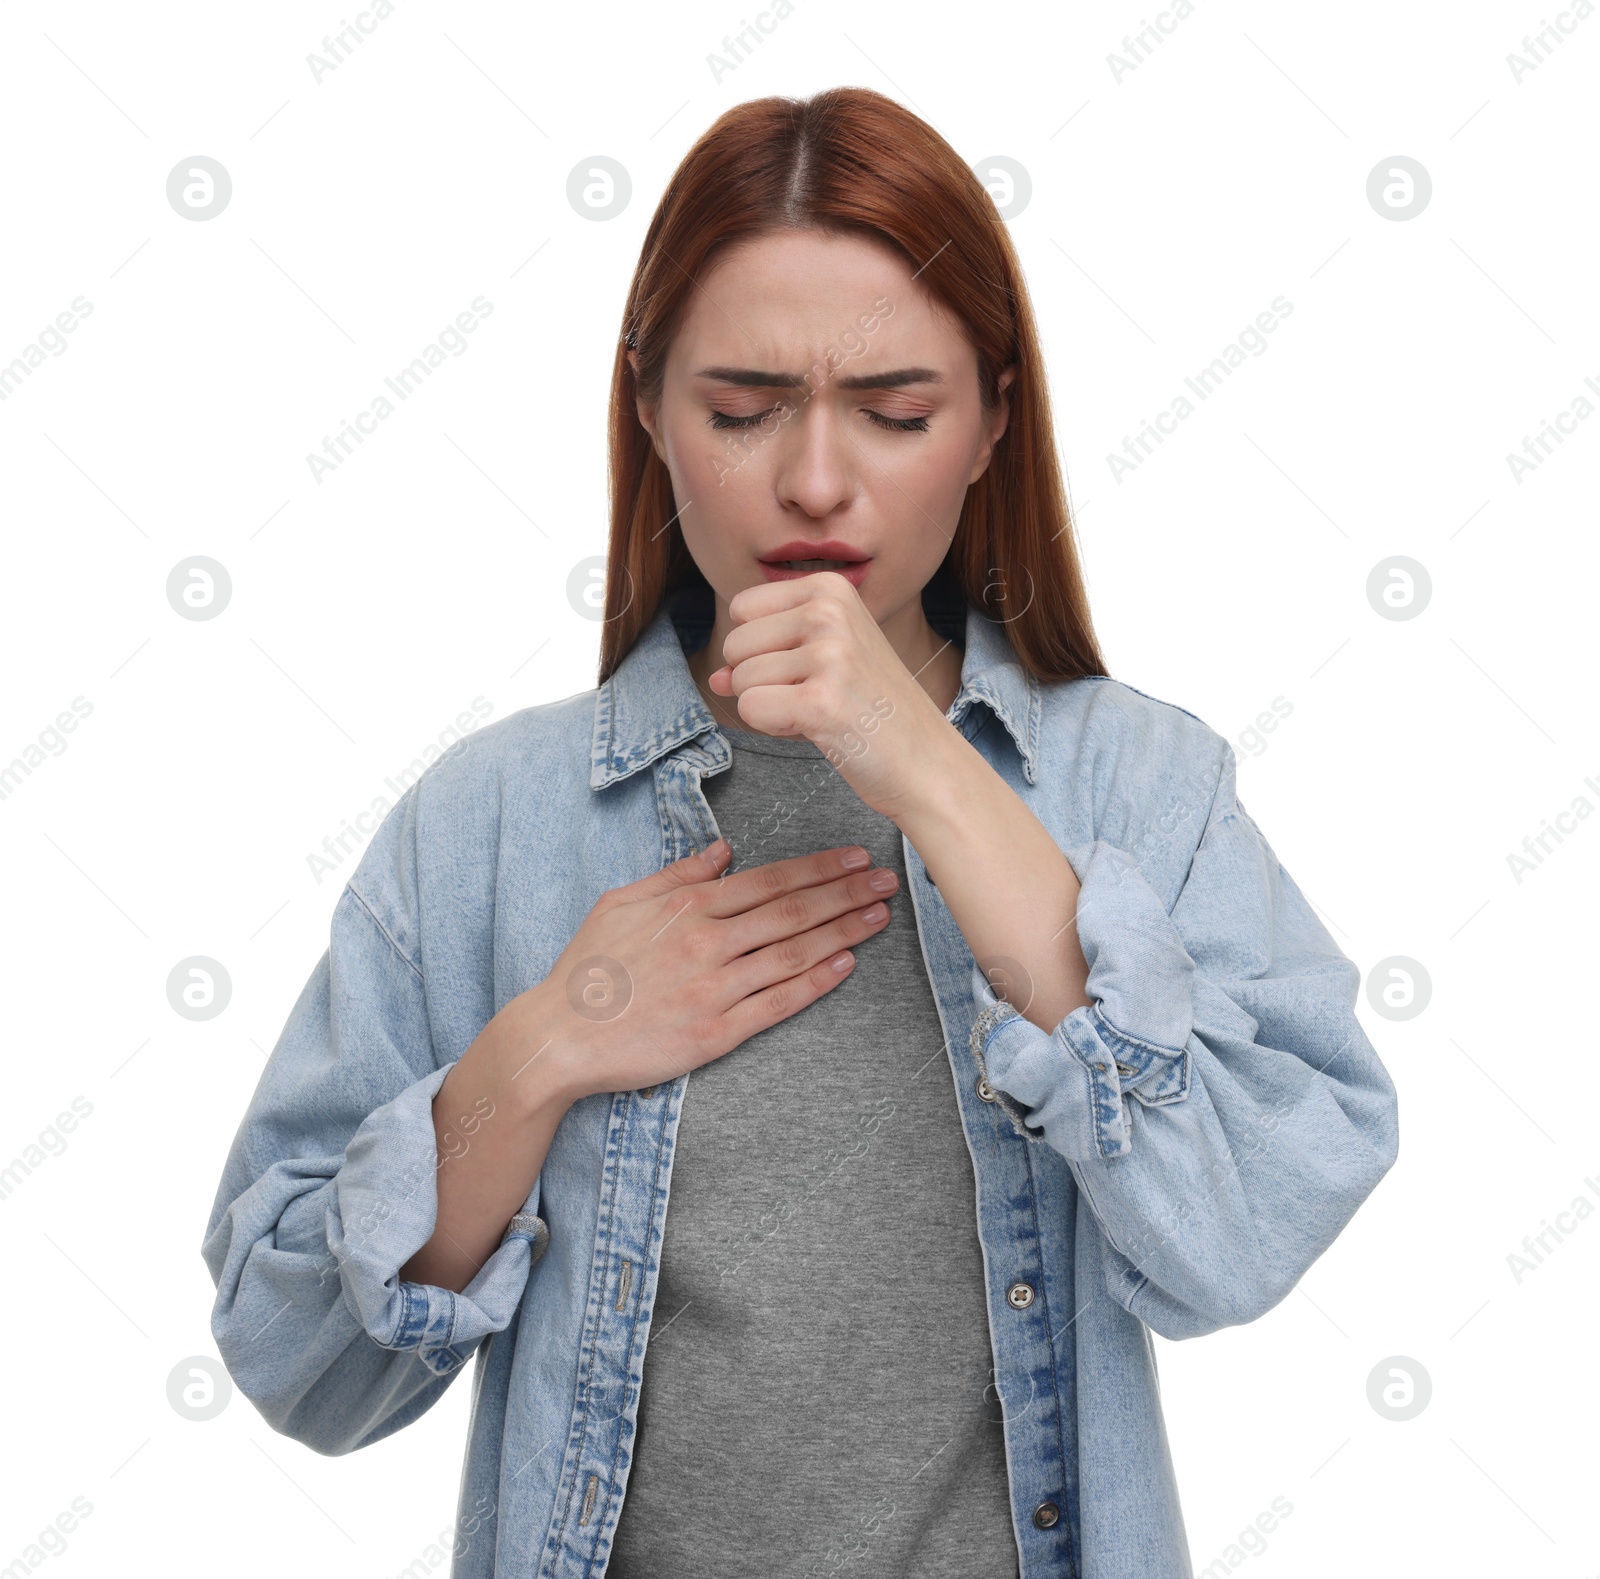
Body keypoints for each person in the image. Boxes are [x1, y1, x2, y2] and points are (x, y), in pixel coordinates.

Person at [201, 87, 1399, 1579]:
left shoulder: (1143, 787)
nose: (817, 481)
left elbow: (1242, 1237)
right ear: (645, 406)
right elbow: (292, 1354)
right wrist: (544, 1049)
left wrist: (929, 769)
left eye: (896, 413)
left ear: (991, 424)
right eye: (741, 410)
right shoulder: (489, 826)